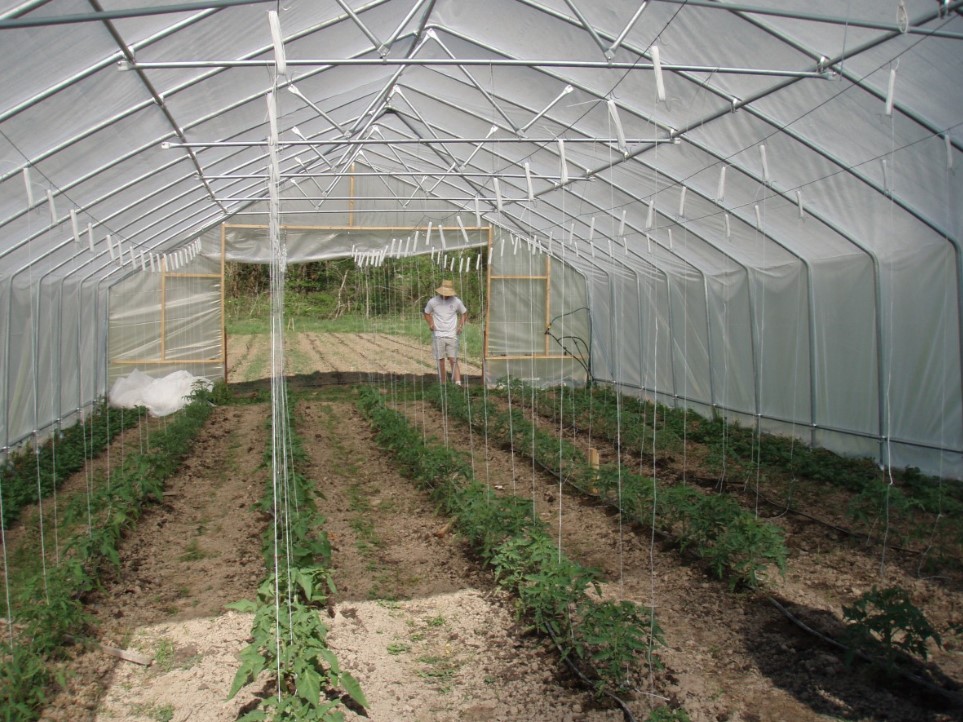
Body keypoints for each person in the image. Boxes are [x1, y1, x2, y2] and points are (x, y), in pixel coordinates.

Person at [424, 279, 468, 385]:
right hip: (438, 335)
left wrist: (460, 326)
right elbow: (426, 313)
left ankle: (458, 382)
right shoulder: (433, 301)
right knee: (440, 360)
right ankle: (443, 383)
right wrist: (431, 324)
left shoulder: (456, 301)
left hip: (452, 335)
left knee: (453, 359)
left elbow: (464, 313)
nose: (446, 295)